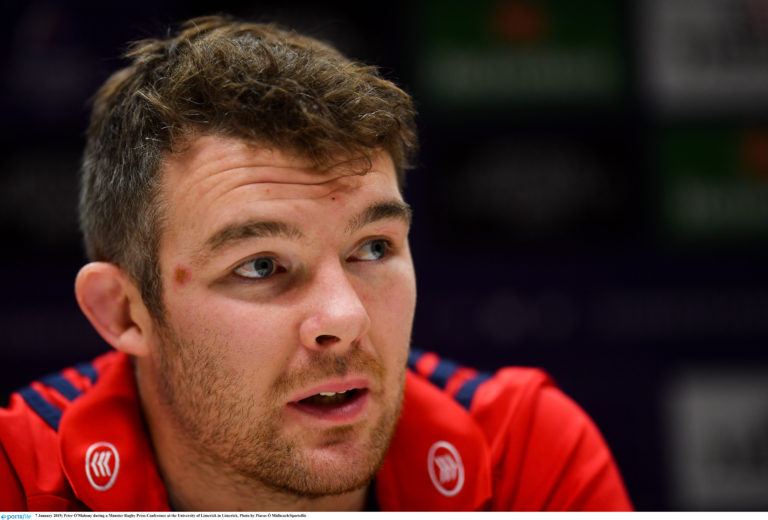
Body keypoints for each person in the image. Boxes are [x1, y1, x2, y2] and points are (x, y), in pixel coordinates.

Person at [0, 15, 631, 511]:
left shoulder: (521, 456)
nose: (345, 317)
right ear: (124, 311)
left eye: (374, 248)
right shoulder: (18, 478)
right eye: (261, 265)